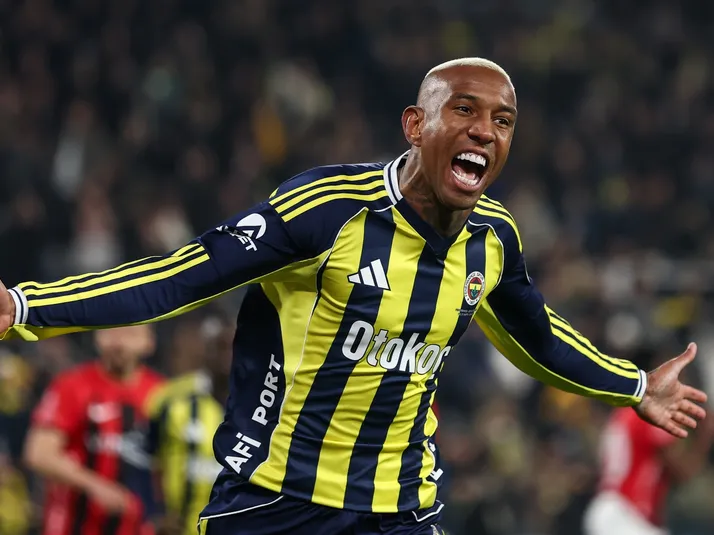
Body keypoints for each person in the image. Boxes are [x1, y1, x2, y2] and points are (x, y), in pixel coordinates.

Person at [0, 58, 707, 535]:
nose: (484, 131)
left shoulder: (493, 239)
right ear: (415, 125)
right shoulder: (327, 209)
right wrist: (28, 306)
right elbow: (179, 276)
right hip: (275, 501)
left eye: (503, 120)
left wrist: (634, 385)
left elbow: (537, 336)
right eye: (464, 110)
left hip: (399, 509)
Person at [22, 325, 163, 535]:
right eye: (111, 332)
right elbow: (39, 454)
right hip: (74, 525)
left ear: (149, 342)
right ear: (97, 336)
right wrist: (95, 486)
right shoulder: (72, 385)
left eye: (130, 334)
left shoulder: (161, 394)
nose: (119, 343)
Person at [584, 350, 714, 535]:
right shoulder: (648, 414)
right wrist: (705, 436)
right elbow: (684, 471)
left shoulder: (625, 412)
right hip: (624, 514)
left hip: (611, 509)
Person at [146, 314, 233, 535]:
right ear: (206, 350)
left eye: (235, 348)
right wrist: (154, 512)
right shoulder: (170, 399)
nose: (228, 356)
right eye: (220, 347)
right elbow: (142, 459)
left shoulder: (263, 407)